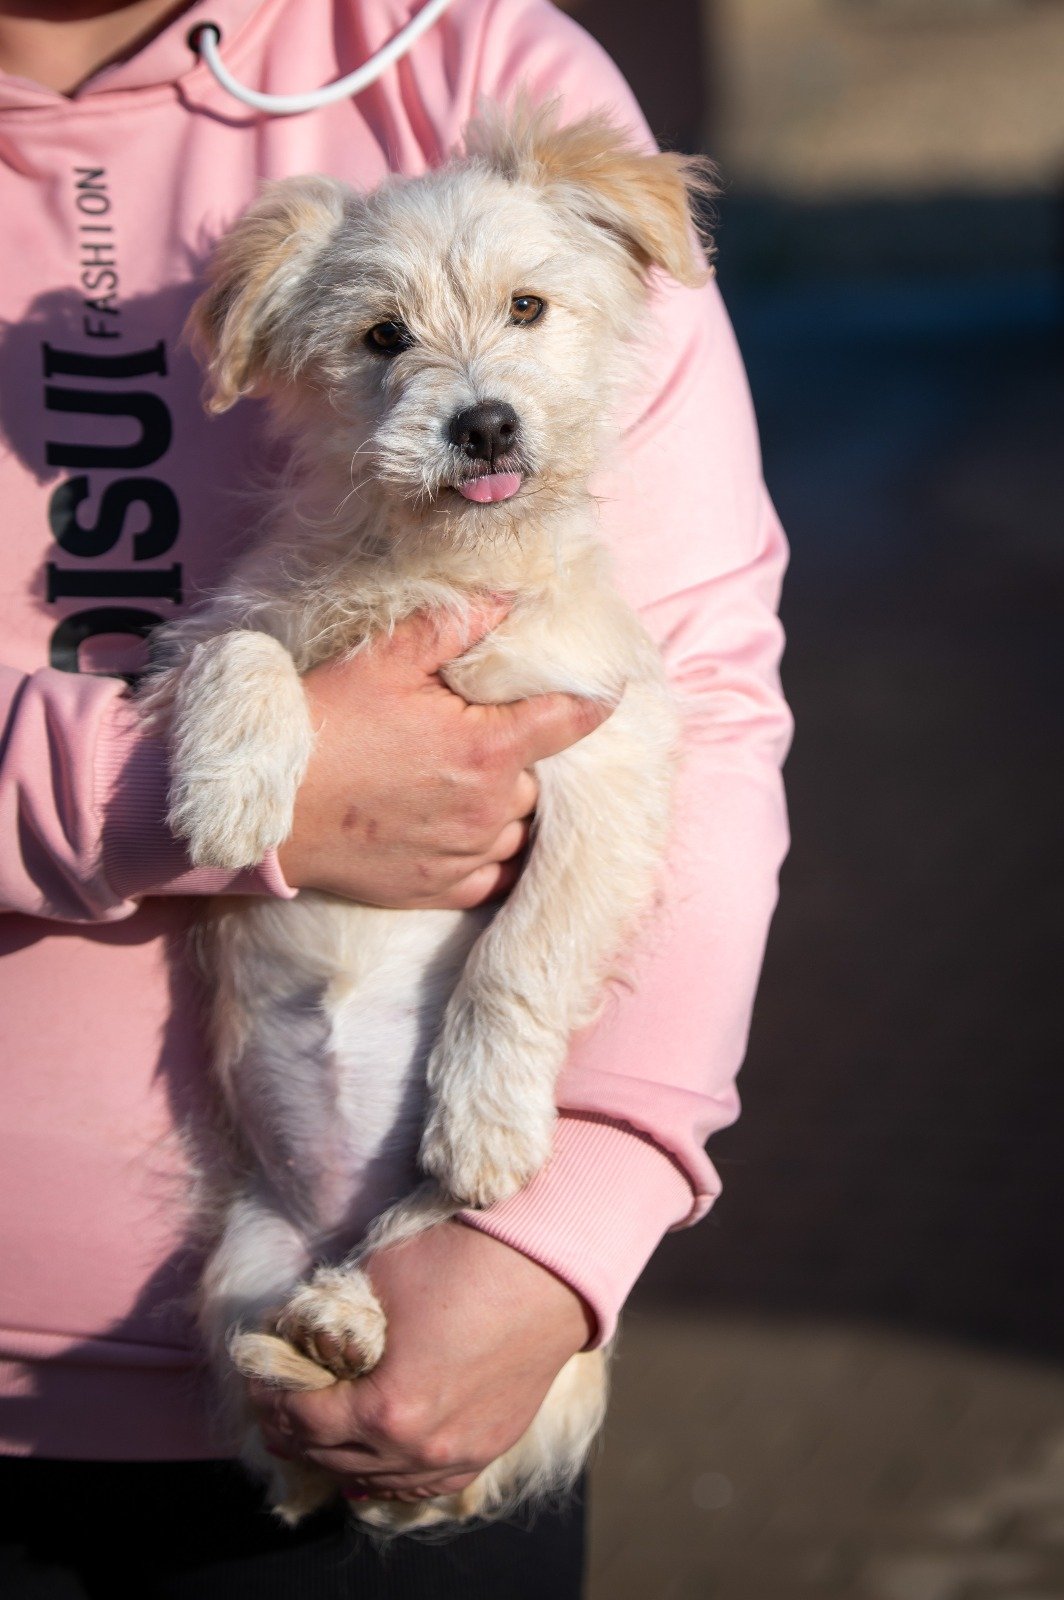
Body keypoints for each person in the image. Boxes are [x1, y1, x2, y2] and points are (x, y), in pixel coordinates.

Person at [0, 0, 791, 1594]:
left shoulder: (468, 53)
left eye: (522, 312)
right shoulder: (295, 546)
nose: (474, 387)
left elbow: (700, 711)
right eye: (381, 339)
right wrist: (146, 791)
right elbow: (230, 727)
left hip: (440, 1337)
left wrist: (553, 1244)